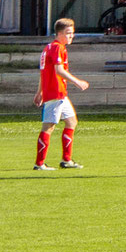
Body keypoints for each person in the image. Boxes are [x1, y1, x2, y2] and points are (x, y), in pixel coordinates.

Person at [35, 18, 89, 170]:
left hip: (59, 93)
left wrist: (39, 92)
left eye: (72, 33)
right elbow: (59, 71)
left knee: (71, 121)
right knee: (48, 127)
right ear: (59, 33)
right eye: (68, 33)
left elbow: (43, 73)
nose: (71, 36)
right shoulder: (57, 48)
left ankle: (66, 160)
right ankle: (39, 164)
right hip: (55, 92)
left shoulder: (49, 48)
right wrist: (78, 82)